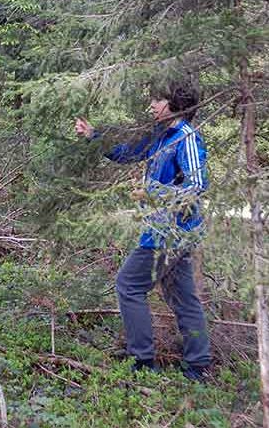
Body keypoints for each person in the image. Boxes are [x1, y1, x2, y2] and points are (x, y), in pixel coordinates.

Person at [75, 80, 211, 381]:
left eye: (157, 99)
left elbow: (198, 184)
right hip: (163, 231)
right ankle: (198, 364)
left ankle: (142, 360)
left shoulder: (185, 136)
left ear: (174, 103)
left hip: (171, 232)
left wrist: (155, 196)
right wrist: (93, 136)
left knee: (128, 285)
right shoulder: (159, 134)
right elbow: (127, 153)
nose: (151, 105)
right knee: (183, 296)